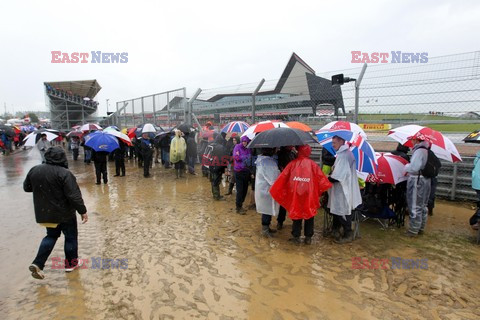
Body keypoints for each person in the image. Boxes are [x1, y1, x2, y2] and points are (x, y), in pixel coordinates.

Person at [23, 147, 88, 279]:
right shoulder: (64, 173)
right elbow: (73, 195)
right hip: (65, 213)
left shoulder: (35, 170)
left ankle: (38, 263)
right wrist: (83, 211)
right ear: (62, 158)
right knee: (70, 237)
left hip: (46, 212)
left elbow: (27, 187)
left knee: (51, 236)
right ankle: (70, 263)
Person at [270, 145, 332, 244]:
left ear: (298, 151)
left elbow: (283, 178)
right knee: (309, 212)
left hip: (295, 193)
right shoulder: (313, 165)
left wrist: (276, 189)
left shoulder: (292, 164)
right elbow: (322, 181)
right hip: (309, 194)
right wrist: (320, 192)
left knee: (296, 212)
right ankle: (308, 237)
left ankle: (296, 236)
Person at [327, 136, 363, 244]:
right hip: (344, 186)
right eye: (332, 142)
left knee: (343, 210)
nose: (332, 145)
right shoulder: (345, 153)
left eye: (334, 143)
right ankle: (336, 229)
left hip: (343, 188)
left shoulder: (343, 155)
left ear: (342, 141)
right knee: (339, 209)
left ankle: (348, 233)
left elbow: (337, 176)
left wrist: (327, 178)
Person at [404, 134, 431, 237]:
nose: (411, 141)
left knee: (415, 205)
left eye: (412, 139)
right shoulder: (426, 150)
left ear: (416, 140)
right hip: (425, 180)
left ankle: (413, 230)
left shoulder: (419, 151)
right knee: (423, 205)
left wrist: (406, 167)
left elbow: (414, 168)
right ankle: (421, 227)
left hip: (417, 181)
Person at [255, 148, 281, 237]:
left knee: (266, 210)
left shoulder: (262, 160)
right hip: (266, 190)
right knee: (266, 210)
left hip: (263, 189)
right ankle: (265, 230)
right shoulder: (268, 163)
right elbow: (272, 179)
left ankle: (267, 227)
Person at [276, 146, 297, 229]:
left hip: (292, 179)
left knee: (293, 201)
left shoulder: (293, 153)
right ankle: (280, 221)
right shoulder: (280, 153)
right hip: (284, 179)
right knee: (283, 202)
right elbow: (278, 165)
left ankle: (295, 222)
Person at [233, 136, 252, 214]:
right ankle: (238, 206)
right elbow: (236, 157)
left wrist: (244, 157)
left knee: (245, 189)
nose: (244, 143)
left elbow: (250, 157)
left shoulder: (249, 148)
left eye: (246, 141)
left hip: (246, 171)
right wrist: (245, 157)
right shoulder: (237, 147)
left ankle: (241, 203)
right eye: (243, 141)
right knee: (240, 190)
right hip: (238, 171)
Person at [209, 133, 228, 200]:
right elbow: (224, 159)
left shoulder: (211, 145)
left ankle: (215, 195)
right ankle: (217, 196)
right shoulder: (221, 147)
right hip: (218, 167)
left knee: (213, 181)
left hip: (211, 166)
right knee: (216, 181)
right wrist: (224, 168)